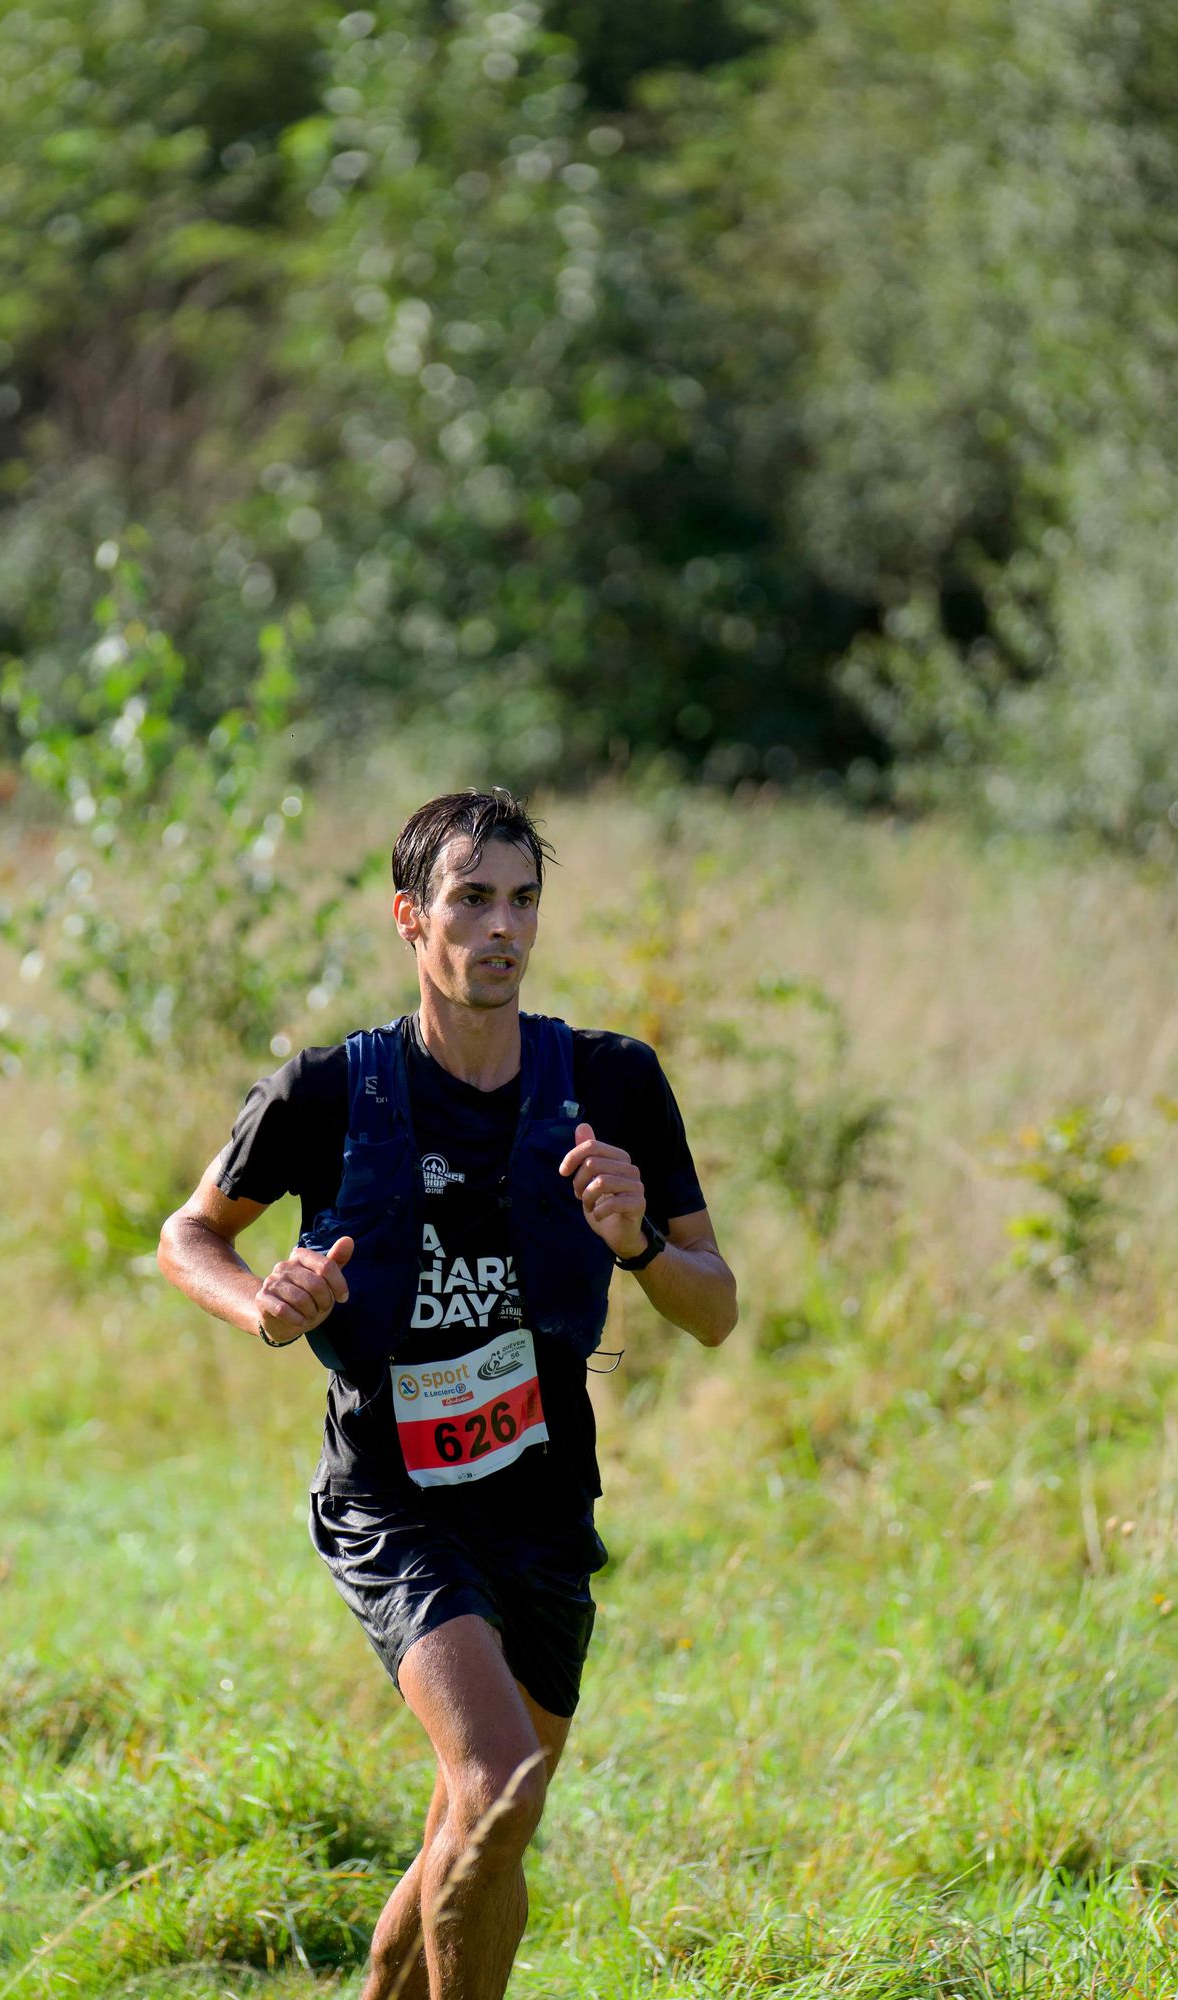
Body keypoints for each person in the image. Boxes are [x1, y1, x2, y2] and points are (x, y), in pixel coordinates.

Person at [157, 789, 738, 2000]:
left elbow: (715, 1306)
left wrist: (637, 1242)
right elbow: (188, 1233)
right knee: (499, 1785)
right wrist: (265, 1303)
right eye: (471, 898)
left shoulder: (614, 1082)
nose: (501, 926)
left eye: (523, 899)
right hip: (394, 1498)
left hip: (544, 1501)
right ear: (410, 916)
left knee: (471, 1830)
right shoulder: (330, 1090)